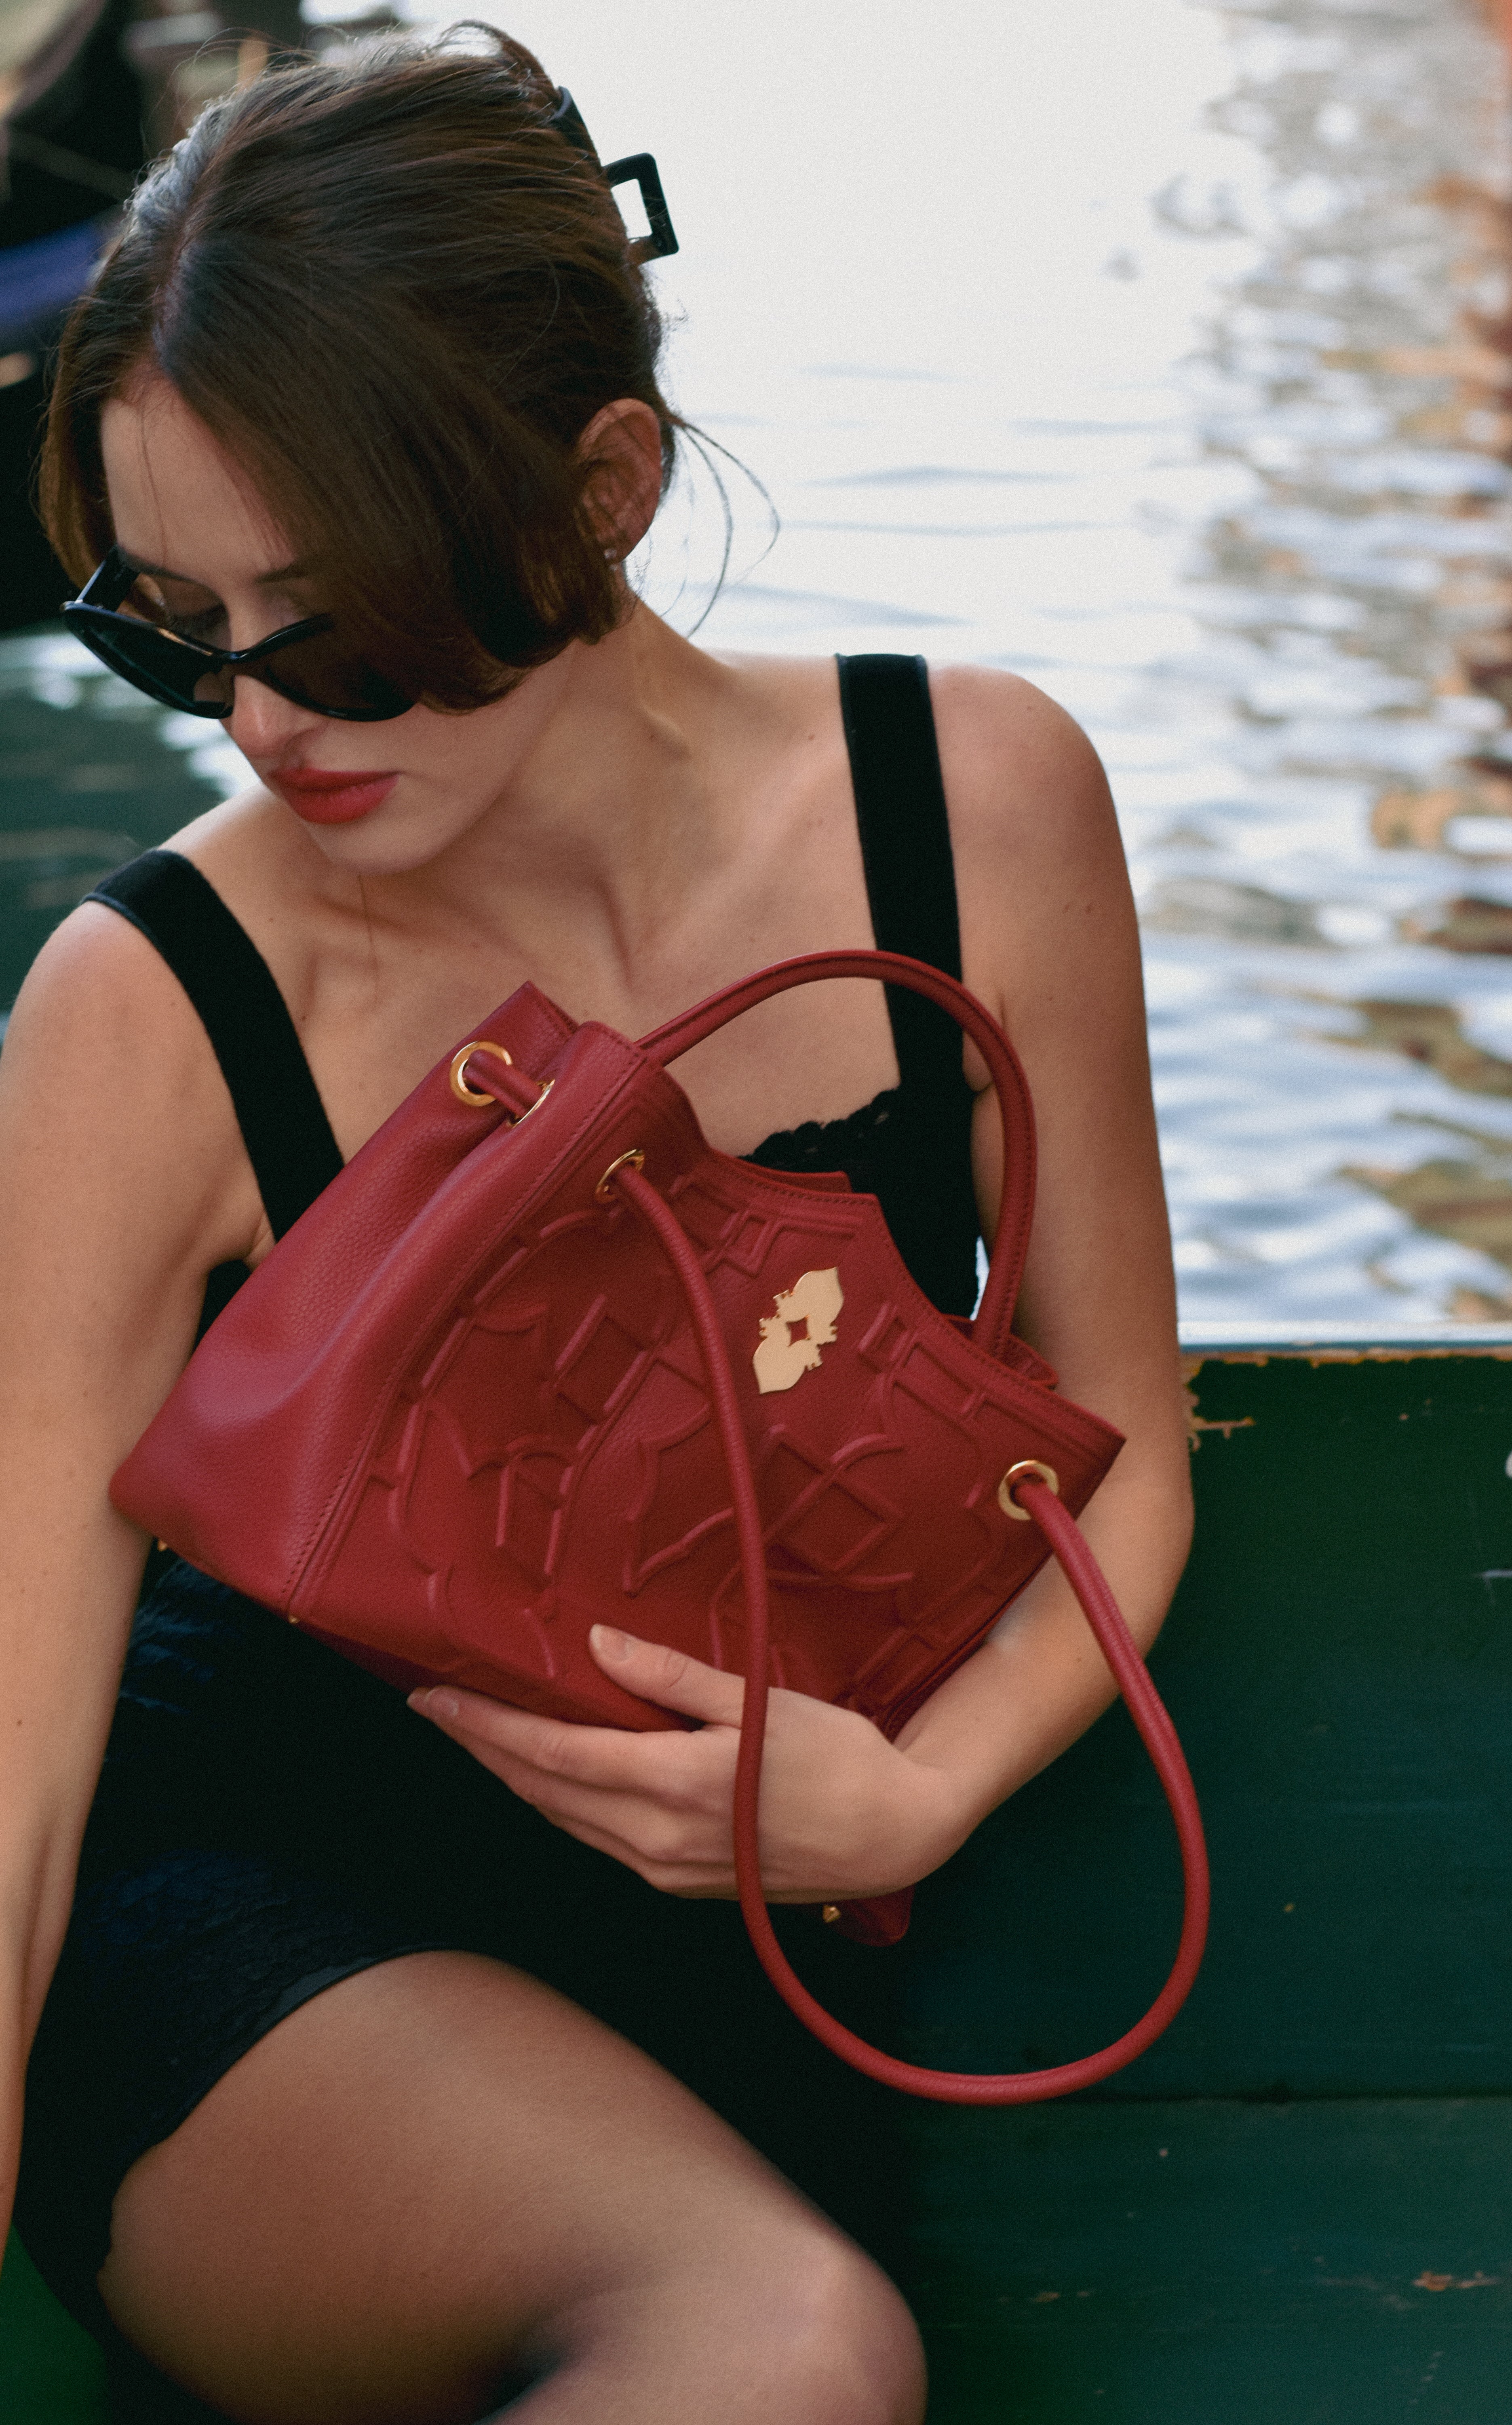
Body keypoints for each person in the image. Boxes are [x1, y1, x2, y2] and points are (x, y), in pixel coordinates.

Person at [0, 25, 1191, 2423]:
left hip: (775, 1936)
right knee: (780, 2344)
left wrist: (927, 1785)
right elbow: (11, 1765)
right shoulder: (151, 1003)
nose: (258, 722)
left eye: (328, 631)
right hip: (251, 1958)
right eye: (170, 628)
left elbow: (1125, 1445)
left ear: (606, 488)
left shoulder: (972, 807)